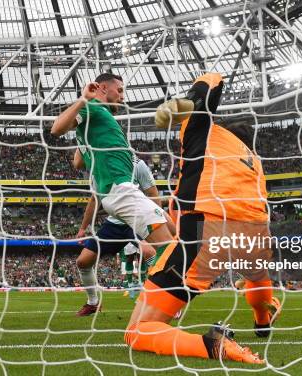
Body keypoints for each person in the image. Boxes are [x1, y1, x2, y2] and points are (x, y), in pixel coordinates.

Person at [123, 73, 280, 365]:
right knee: (257, 278)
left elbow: (213, 80)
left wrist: (186, 102)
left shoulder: (206, 132)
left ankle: (214, 344)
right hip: (256, 234)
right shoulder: (253, 161)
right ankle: (262, 317)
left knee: (136, 332)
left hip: (205, 231)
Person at [51, 73, 175, 314]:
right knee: (170, 250)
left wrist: (86, 139)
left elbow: (78, 163)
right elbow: (56, 128)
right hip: (122, 193)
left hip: (119, 196)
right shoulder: (94, 107)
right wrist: (83, 100)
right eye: (119, 90)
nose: (122, 96)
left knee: (172, 234)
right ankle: (164, 303)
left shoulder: (98, 116)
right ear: (102, 88)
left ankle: (151, 298)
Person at [72, 150, 174, 316]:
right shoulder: (99, 167)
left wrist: (158, 220)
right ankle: (93, 303)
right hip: (114, 223)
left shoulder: (138, 164)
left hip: (137, 220)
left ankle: (163, 301)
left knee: (151, 254)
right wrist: (83, 228)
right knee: (83, 262)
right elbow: (94, 200)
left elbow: (153, 194)